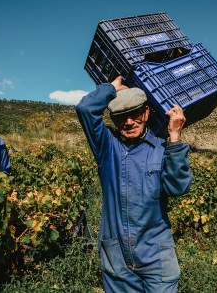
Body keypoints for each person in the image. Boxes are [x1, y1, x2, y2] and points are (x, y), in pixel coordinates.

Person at [76, 76, 192, 292]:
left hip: (156, 257)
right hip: (117, 258)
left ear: (147, 112)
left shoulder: (162, 148)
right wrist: (111, 88)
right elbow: (85, 109)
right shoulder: (107, 147)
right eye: (121, 117)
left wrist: (175, 137)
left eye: (135, 114)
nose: (128, 122)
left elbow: (178, 187)